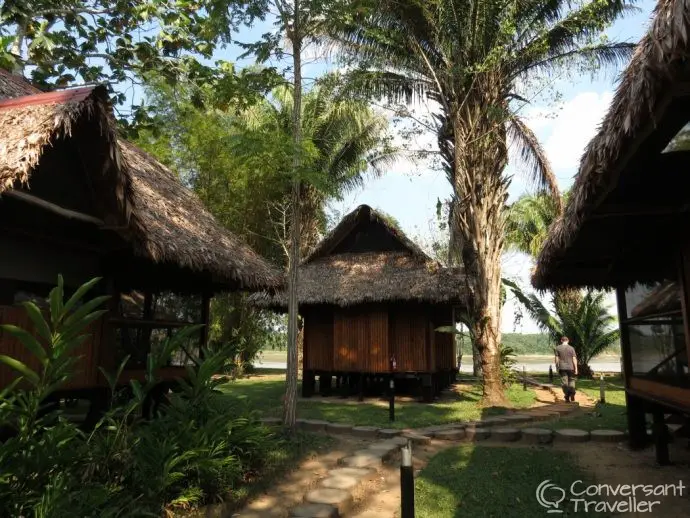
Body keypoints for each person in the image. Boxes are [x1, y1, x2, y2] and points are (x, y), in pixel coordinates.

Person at [554, 336, 578, 402]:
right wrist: (576, 368)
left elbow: (556, 359)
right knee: (572, 381)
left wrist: (557, 367)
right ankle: (572, 393)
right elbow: (574, 359)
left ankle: (567, 395)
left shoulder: (558, 348)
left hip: (562, 368)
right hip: (571, 368)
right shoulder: (571, 348)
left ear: (561, 340)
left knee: (564, 383)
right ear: (568, 340)